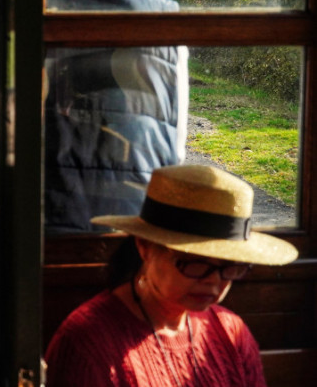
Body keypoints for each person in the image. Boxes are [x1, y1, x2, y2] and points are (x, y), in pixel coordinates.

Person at [43, 0, 188, 234]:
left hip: (29, 233)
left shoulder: (5, 4)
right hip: (130, 233)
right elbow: (173, 150)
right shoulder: (164, 15)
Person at [45, 164, 298, 386]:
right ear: (144, 247)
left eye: (229, 266)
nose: (214, 280)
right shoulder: (88, 343)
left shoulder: (231, 332)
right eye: (195, 263)